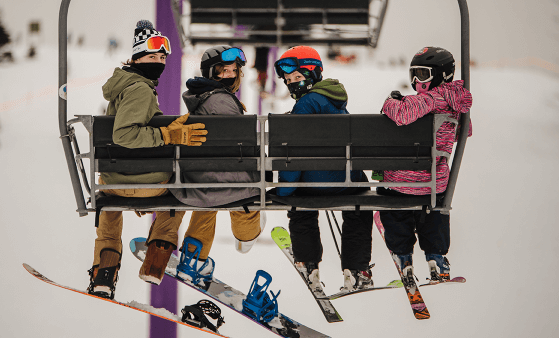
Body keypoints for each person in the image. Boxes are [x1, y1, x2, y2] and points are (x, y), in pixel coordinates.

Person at [87, 20, 208, 299]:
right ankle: (156, 260)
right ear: (137, 58)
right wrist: (167, 135)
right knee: (177, 195)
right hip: (149, 184)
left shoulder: (122, 86)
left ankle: (104, 272)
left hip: (114, 182)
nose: (160, 62)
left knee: (108, 201)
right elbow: (124, 135)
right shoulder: (140, 88)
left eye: (163, 57)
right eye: (153, 56)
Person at [272, 46, 374, 292]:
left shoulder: (305, 105)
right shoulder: (336, 100)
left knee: (300, 208)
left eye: (297, 77)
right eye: (288, 80)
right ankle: (357, 269)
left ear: (313, 74)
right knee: (358, 210)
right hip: (347, 184)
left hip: (312, 186)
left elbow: (293, 156)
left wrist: (285, 192)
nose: (292, 83)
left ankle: (308, 263)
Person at [165, 45, 267, 284]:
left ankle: (194, 259)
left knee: (207, 203)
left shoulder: (199, 99)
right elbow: (240, 142)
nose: (230, 75)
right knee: (248, 204)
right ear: (211, 73)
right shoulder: (223, 101)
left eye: (233, 71)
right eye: (223, 71)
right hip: (235, 183)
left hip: (201, 182)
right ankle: (247, 235)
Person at [377, 46, 473, 284]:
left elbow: (402, 115)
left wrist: (390, 102)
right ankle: (436, 256)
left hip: (401, 183)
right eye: (414, 75)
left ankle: (403, 257)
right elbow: (466, 131)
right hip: (434, 184)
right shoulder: (456, 102)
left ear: (443, 75)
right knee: (434, 212)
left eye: (424, 74)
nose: (417, 81)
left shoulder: (431, 98)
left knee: (394, 207)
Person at [253, 0, 304, 94]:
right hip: (290, 32)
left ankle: (261, 78)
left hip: (265, 31)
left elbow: (253, 10)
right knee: (294, 48)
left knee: (261, 46)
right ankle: (295, 77)